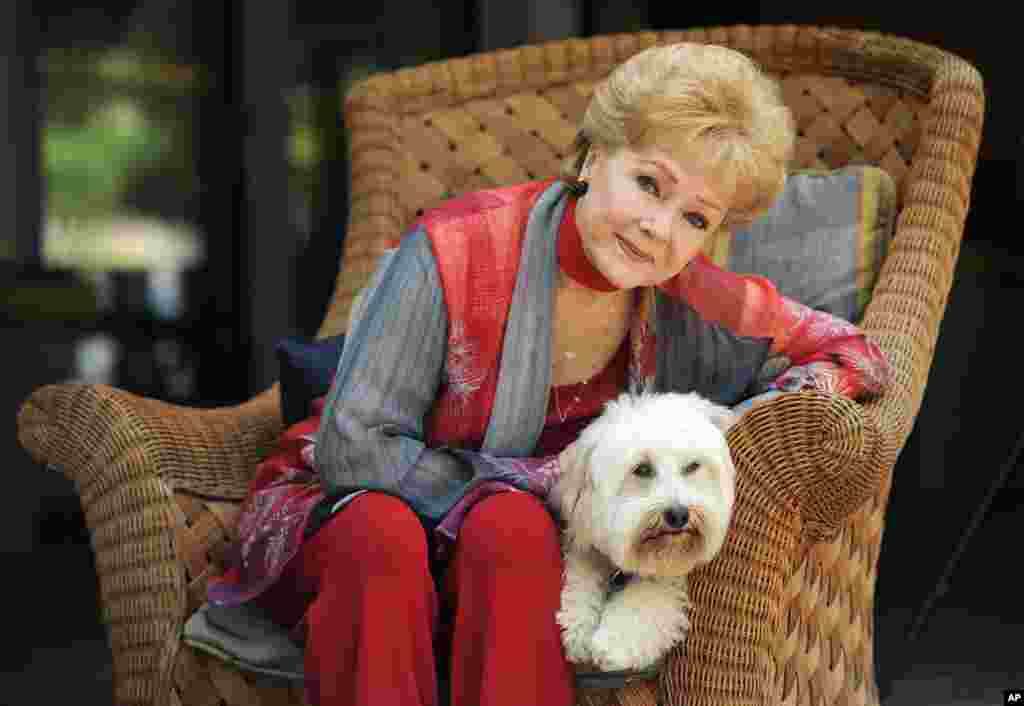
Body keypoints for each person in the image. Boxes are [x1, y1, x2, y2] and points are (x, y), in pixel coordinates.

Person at [206, 42, 892, 706]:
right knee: (381, 539)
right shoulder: (451, 252)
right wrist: (546, 482)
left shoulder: (697, 296)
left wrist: (736, 430)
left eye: (694, 217)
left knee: (513, 530)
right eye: (649, 183)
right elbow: (351, 447)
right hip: (358, 506)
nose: (659, 229)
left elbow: (856, 355)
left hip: (509, 541)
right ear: (593, 156)